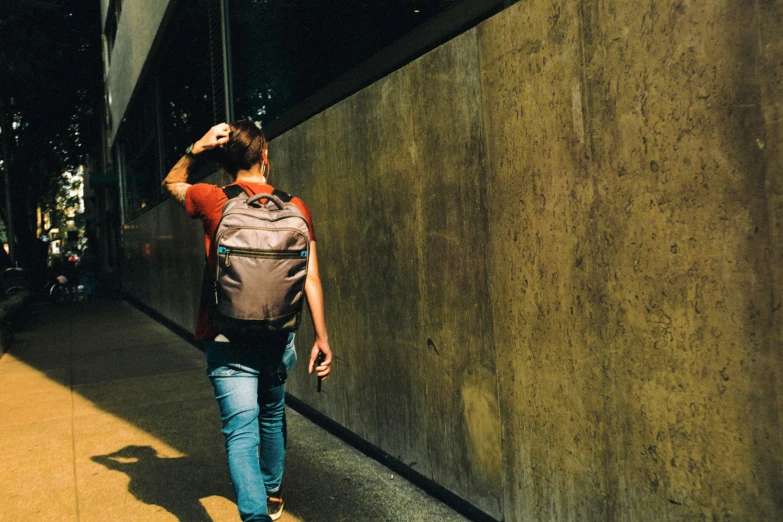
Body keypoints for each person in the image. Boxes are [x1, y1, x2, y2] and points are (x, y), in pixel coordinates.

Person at [163, 121, 333, 522]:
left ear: (223, 165)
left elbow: (170, 182)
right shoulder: (297, 206)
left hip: (226, 337)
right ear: (265, 158)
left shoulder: (212, 200)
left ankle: (254, 516)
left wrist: (197, 146)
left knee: (241, 432)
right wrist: (322, 338)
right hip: (278, 336)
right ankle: (272, 493)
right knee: (272, 415)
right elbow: (310, 276)